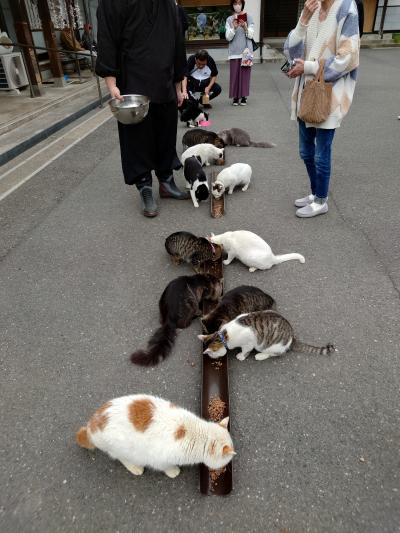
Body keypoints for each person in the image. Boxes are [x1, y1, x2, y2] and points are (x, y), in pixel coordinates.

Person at [96, 0, 188, 218]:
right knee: (137, 138)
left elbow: (177, 40)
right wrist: (111, 83)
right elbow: (107, 38)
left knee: (166, 133)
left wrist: (178, 83)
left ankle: (166, 181)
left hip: (164, 79)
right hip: (133, 80)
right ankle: (144, 186)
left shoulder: (168, 3)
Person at [284, 0, 360, 218]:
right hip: (305, 93)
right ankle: (315, 191)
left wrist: (308, 66)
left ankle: (321, 200)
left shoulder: (346, 7)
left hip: (330, 95)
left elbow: (348, 57)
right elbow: (290, 52)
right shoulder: (312, 9)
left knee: (321, 153)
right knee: (305, 151)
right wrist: (303, 20)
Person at [225, 0, 255, 106]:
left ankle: (243, 97)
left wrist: (245, 27)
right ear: (232, 5)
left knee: (245, 75)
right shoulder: (229, 19)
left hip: (246, 51)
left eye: (239, 3)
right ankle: (235, 97)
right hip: (234, 51)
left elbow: (251, 35)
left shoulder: (249, 17)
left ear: (242, 4)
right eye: (235, 3)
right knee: (234, 75)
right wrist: (233, 27)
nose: (237, 6)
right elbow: (228, 37)